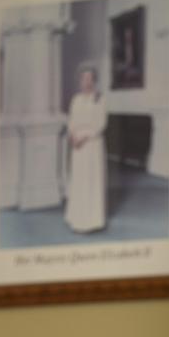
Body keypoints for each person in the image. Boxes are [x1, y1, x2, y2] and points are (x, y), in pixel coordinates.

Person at [64, 64, 107, 233]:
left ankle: (92, 221)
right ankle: (78, 219)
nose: (87, 81)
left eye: (90, 78)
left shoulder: (100, 99)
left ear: (94, 80)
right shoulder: (76, 99)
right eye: (84, 78)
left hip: (92, 144)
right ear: (80, 81)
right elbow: (71, 121)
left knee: (91, 181)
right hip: (78, 146)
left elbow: (101, 123)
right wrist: (73, 136)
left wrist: (84, 136)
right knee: (80, 181)